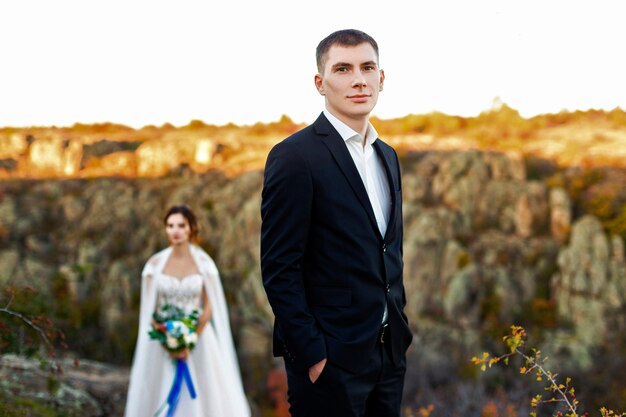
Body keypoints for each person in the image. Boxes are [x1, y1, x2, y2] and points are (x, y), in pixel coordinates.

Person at [260, 29, 413, 417]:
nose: (358, 79)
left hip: (388, 357)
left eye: (367, 67)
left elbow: (385, 251)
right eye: (343, 68)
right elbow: (280, 268)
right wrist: (312, 355)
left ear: (382, 78)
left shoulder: (387, 156)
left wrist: (398, 335)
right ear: (320, 82)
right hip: (330, 364)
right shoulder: (294, 157)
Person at [124, 205, 250, 417]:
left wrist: (190, 337)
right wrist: (167, 339)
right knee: (158, 390)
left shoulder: (204, 263)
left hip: (199, 340)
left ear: (191, 228)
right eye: (170, 225)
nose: (175, 230)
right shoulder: (154, 264)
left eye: (181, 225)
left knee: (206, 398)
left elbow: (209, 305)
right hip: (162, 342)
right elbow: (150, 309)